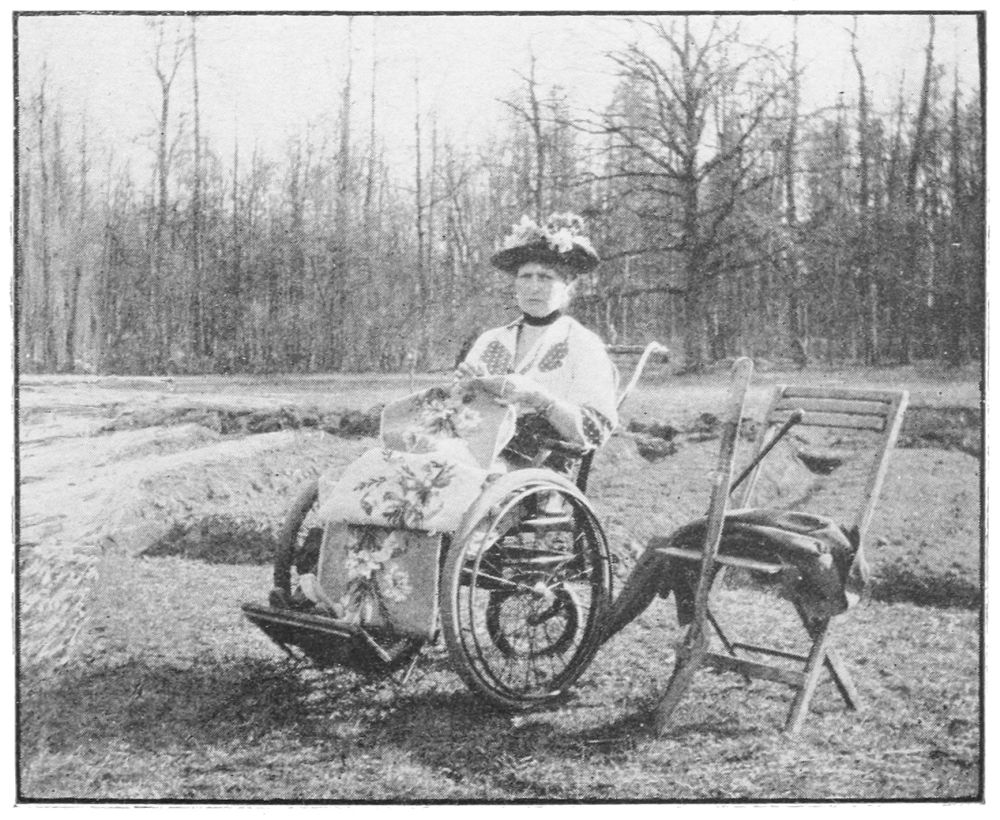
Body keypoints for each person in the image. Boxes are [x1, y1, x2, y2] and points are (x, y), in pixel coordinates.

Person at [457, 212, 619, 469]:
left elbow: (594, 430)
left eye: (545, 277)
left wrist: (540, 399)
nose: (534, 287)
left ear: (567, 285)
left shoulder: (583, 344)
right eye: (525, 277)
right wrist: (469, 388)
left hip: (536, 465)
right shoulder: (491, 340)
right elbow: (459, 413)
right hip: (474, 450)